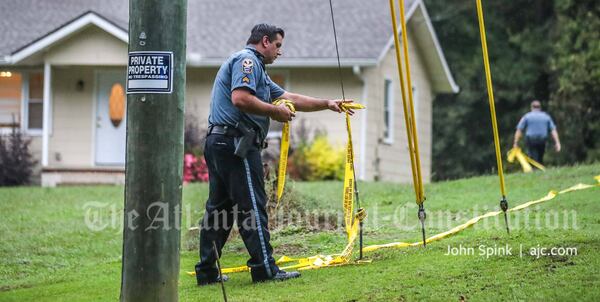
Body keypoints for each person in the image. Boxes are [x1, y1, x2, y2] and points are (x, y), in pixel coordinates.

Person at [195, 23, 353, 285]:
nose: (280, 52)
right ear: (265, 41)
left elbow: (288, 97)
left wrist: (327, 104)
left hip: (219, 141)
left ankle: (207, 272)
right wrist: (274, 111)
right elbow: (240, 99)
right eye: (278, 45)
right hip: (236, 144)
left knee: (219, 210)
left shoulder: (259, 70)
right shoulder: (247, 61)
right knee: (253, 208)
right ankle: (265, 269)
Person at [513, 100, 561, 164]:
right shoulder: (546, 117)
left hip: (531, 140)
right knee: (540, 156)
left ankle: (535, 169)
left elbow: (519, 130)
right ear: (540, 107)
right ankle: (539, 168)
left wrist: (516, 142)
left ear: (531, 107)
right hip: (542, 140)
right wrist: (557, 142)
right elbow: (553, 130)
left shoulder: (527, 116)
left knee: (533, 157)